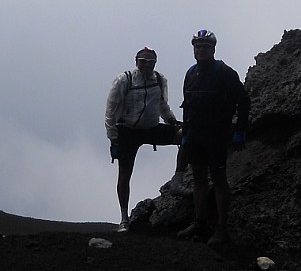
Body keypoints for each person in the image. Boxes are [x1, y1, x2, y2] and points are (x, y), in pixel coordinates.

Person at [176, 29, 250, 245]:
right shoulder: (191, 74)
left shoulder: (225, 73)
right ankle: (200, 223)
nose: (201, 50)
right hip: (196, 134)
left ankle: (222, 228)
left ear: (213, 49)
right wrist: (186, 134)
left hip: (217, 134)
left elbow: (243, 101)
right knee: (199, 177)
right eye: (197, 47)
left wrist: (240, 131)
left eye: (205, 46)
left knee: (218, 178)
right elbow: (187, 105)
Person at [104, 47, 186, 231]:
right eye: (143, 61)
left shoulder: (159, 79)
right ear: (136, 61)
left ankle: (178, 180)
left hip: (151, 127)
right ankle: (124, 219)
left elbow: (162, 105)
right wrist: (113, 138)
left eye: (151, 62)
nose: (147, 65)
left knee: (186, 136)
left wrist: (172, 121)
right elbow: (110, 111)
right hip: (127, 130)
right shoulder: (124, 80)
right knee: (125, 174)